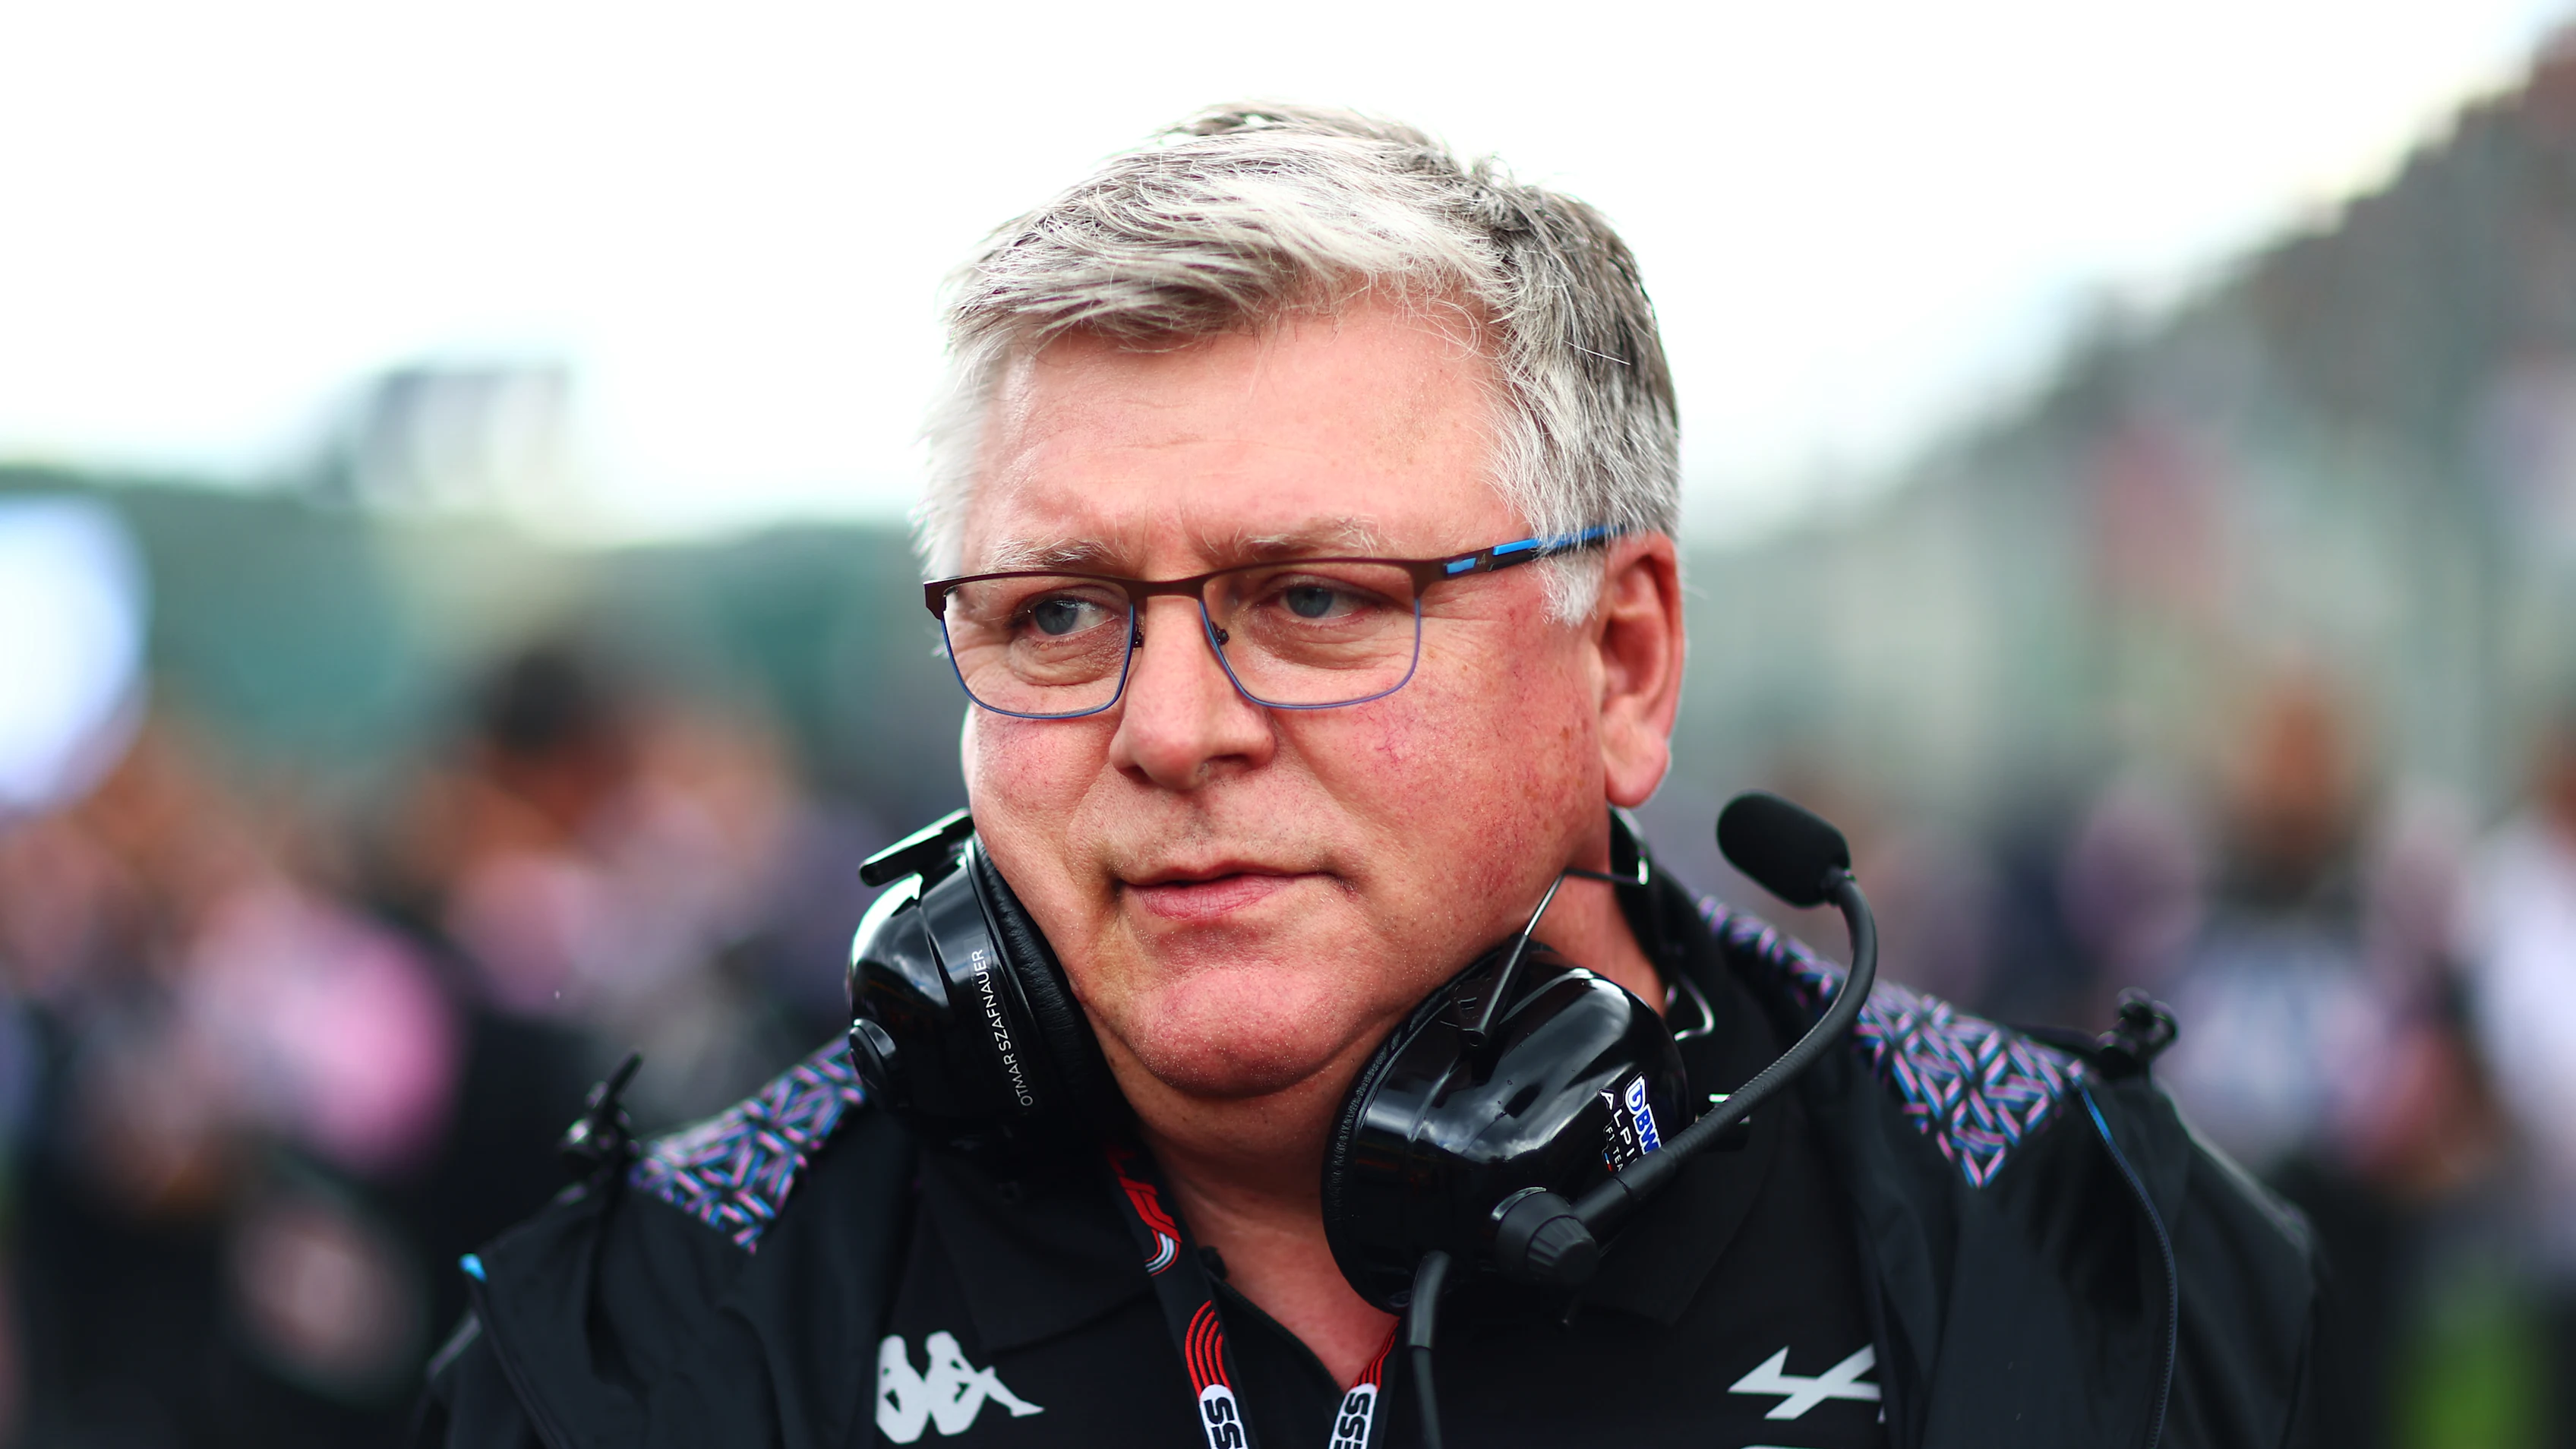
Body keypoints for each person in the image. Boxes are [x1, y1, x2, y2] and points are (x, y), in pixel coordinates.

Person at [414, 106, 2319, 1448]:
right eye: (1059, 617)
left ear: (1626, 663)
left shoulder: (2092, 1254)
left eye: (1315, 598)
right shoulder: (646, 1333)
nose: (1167, 729)